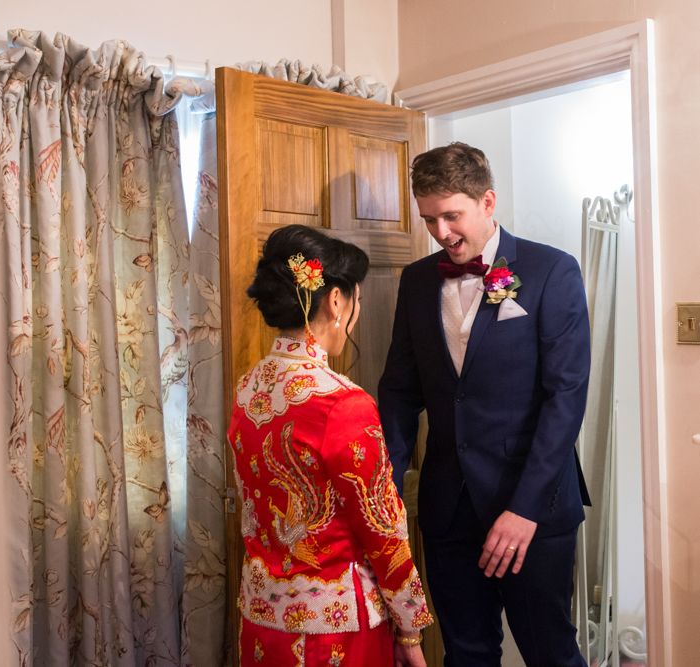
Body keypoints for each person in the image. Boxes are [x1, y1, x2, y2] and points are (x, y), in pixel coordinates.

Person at [378, 143, 591, 667]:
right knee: (466, 653)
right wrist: (385, 488)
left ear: (488, 201)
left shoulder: (551, 271)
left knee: (551, 654)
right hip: (449, 509)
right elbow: (401, 390)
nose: (442, 233)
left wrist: (524, 509)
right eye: (430, 219)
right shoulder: (417, 281)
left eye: (452, 216)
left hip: (532, 509)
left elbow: (565, 397)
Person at [227, 224, 432, 667]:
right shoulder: (342, 402)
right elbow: (384, 530)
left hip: (262, 619)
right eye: (355, 299)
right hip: (333, 632)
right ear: (337, 301)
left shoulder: (248, 389)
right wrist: (411, 629)